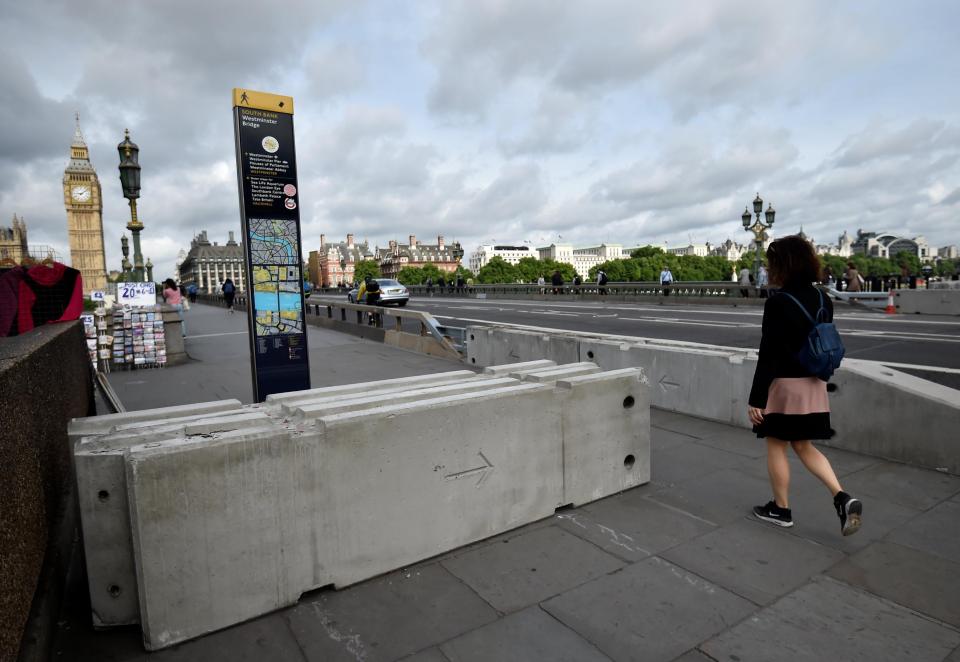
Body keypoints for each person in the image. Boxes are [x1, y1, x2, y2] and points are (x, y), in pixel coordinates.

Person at [748, 235, 862, 536]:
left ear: (782, 265)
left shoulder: (778, 302)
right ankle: (841, 496)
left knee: (776, 444)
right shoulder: (823, 298)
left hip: (786, 387)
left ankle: (780, 509)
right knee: (803, 445)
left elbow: (768, 354)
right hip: (814, 385)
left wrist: (757, 398)